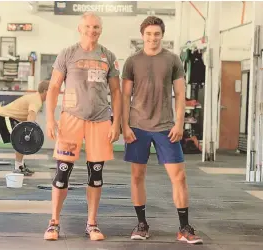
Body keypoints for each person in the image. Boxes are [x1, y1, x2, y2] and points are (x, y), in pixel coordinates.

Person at [121, 16, 203, 244]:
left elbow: (179, 95)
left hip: (166, 127)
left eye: (156, 34)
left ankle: (184, 228)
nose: (152, 38)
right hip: (137, 127)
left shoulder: (173, 59)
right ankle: (141, 224)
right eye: (148, 34)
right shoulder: (132, 61)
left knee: (179, 177)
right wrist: (124, 126)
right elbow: (125, 96)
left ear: (162, 35)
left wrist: (179, 124)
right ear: (142, 35)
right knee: (137, 175)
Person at [44, 12, 121, 241]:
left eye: (96, 27)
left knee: (96, 174)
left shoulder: (108, 56)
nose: (92, 30)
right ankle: (54, 223)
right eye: (88, 26)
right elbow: (54, 87)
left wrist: (116, 122)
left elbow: (116, 92)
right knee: (62, 172)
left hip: (99, 120)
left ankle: (92, 224)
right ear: (80, 28)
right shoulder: (68, 53)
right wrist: (50, 118)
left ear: (101, 29)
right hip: (71, 120)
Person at [0, 80, 49, 176]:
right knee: (20, 141)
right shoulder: (37, 100)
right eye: (51, 91)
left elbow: (29, 118)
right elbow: (31, 116)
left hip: (7, 117)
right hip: (3, 117)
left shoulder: (35, 97)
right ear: (45, 91)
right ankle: (18, 167)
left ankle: (20, 165)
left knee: (21, 140)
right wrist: (29, 132)